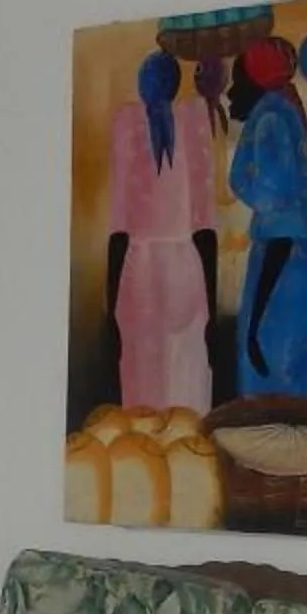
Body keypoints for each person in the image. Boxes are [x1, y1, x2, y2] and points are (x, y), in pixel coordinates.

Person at [104, 49, 218, 411]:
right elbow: (205, 228)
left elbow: (119, 229)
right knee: (186, 373)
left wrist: (110, 311)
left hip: (139, 270)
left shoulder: (126, 124)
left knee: (142, 373)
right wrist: (212, 308)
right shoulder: (193, 120)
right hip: (185, 266)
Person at [227, 36, 307, 401]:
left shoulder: (271, 120)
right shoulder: (282, 112)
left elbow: (282, 227)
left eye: (238, 82)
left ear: (256, 82)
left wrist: (255, 325)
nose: (230, 93)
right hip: (303, 264)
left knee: (280, 382)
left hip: (286, 276)